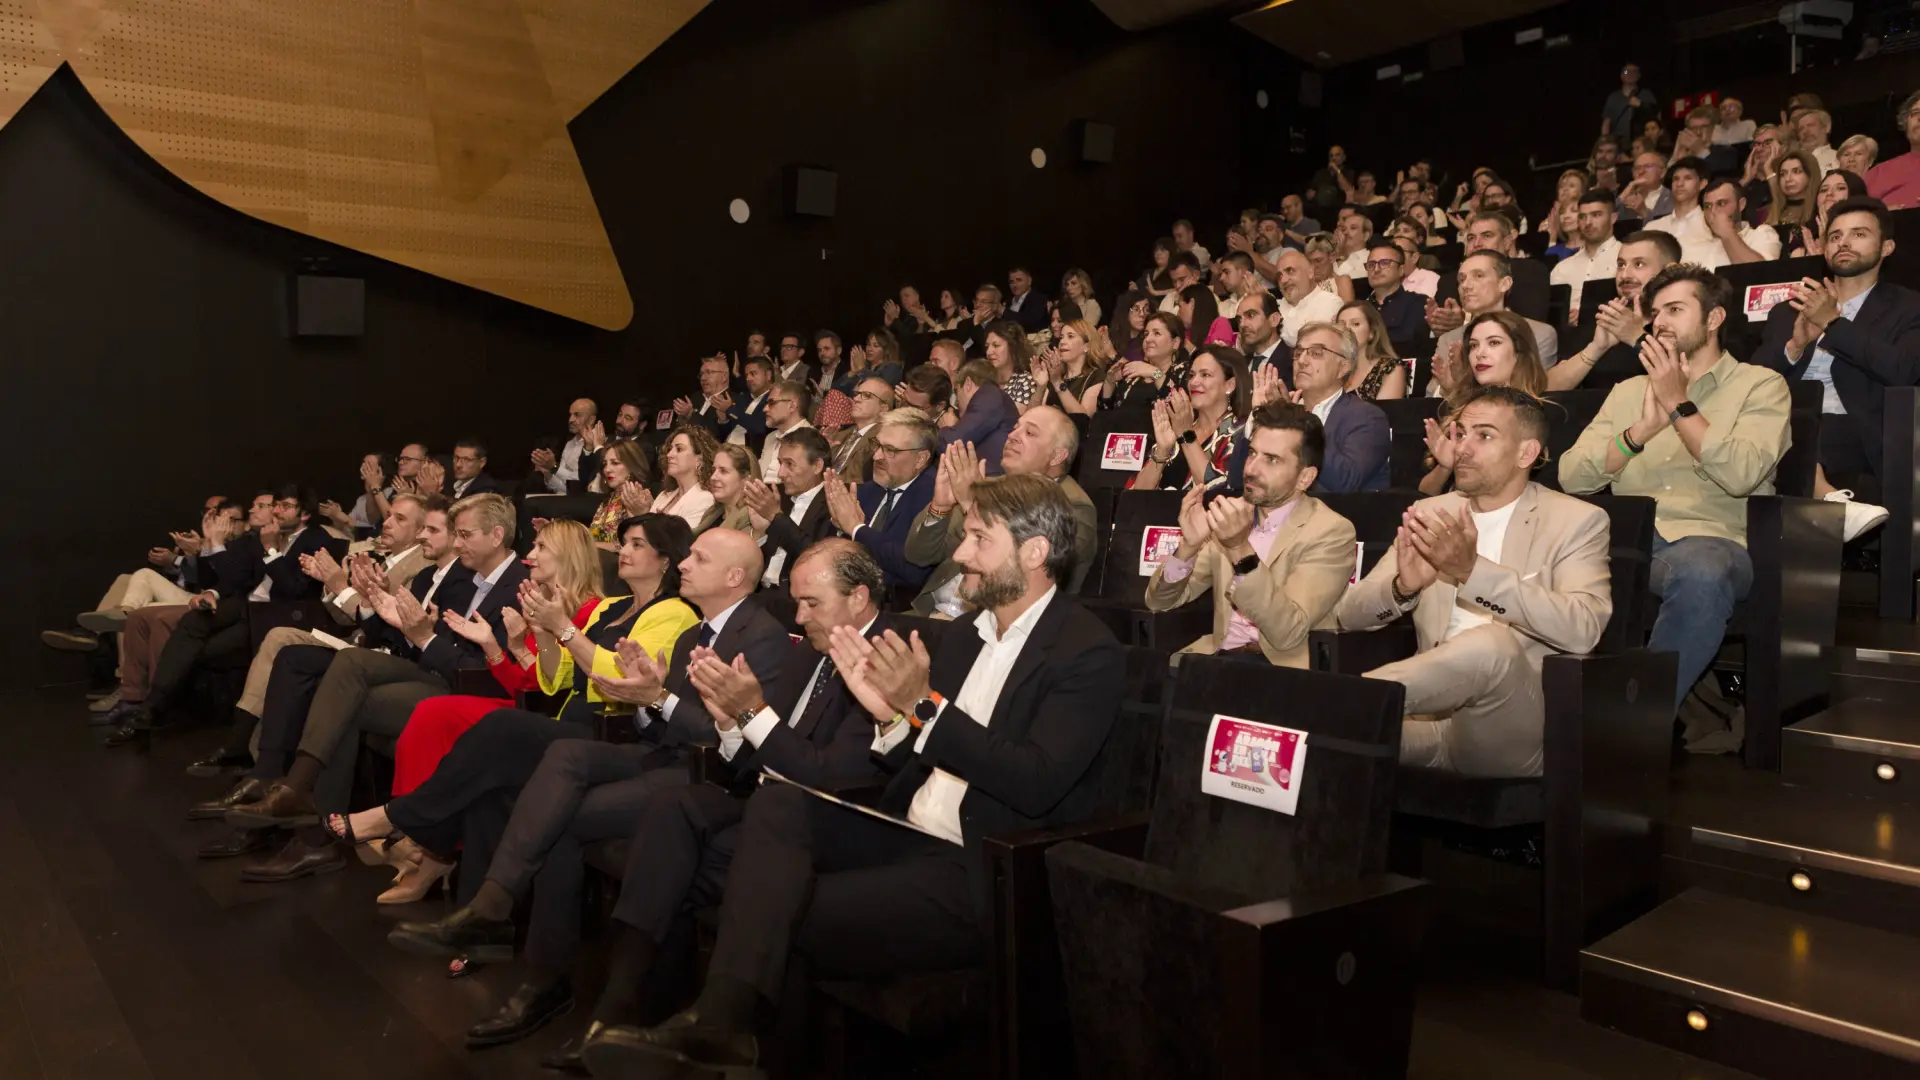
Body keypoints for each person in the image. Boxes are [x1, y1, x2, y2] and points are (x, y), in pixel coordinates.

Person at [579, 474, 1126, 1079]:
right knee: (779, 807)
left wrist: (918, 710)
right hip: (904, 831)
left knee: (774, 904)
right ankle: (719, 1026)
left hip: (981, 865)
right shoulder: (967, 636)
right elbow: (907, 754)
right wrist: (889, 718)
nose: (962, 554)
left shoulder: (1085, 651)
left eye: (977, 538)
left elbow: (1037, 781)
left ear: (1033, 553)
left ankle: (723, 1030)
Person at [367, 529, 789, 1048]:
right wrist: (643, 697)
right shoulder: (693, 634)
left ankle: (532, 968)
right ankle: (493, 915)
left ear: (734, 577)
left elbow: (734, 743)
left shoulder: (761, 635)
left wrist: (657, 698)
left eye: (699, 558)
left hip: (707, 778)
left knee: (553, 811)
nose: (685, 564)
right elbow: (653, 725)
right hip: (661, 753)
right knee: (561, 757)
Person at [536, 539, 892, 1069]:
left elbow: (832, 774)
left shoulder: (887, 655)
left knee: (685, 837)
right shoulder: (807, 653)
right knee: (676, 811)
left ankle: (690, 1027)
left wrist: (748, 713)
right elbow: (752, 756)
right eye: (795, 601)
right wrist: (731, 722)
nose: (799, 616)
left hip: (830, 821)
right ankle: (618, 1012)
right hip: (769, 802)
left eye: (812, 604)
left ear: (859, 597)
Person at [222, 492, 534, 879]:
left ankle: (307, 813)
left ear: (496, 535)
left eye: (465, 534)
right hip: (434, 672)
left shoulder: (517, 586)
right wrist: (401, 619)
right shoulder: (472, 578)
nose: (457, 543)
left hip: (466, 694)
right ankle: (308, 813)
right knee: (348, 673)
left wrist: (424, 637)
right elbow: (437, 642)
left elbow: (487, 674)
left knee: (346, 686)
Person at [1560, 265, 1791, 748]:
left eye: (1676, 309)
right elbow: (1573, 476)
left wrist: (1679, 405)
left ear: (1714, 318)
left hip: (1714, 542)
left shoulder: (1760, 385)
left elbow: (1742, 472)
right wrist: (1638, 433)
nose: (1660, 321)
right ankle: (1538, 722)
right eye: (1656, 311)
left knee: (1703, 568)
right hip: (1628, 545)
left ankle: (1629, 731)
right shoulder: (1627, 392)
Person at [1339, 387, 1612, 776]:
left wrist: (1472, 573)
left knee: (1491, 645)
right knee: (1320, 744)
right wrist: (1404, 587)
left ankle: (1336, 701)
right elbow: (1348, 616)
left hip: (1510, 729)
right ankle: (1325, 712)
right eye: (1461, 433)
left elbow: (1584, 629)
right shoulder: (1429, 512)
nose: (1463, 448)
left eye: (1483, 436)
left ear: (1526, 453)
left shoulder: (1576, 521)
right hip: (1427, 722)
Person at [102, 486, 336, 745]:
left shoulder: (315, 539)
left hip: (275, 615)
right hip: (244, 606)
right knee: (195, 619)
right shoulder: (264, 535)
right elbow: (236, 578)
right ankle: (148, 711)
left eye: (285, 506)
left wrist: (271, 551)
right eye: (276, 505)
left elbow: (294, 590)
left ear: (303, 515)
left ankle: (165, 710)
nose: (277, 511)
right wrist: (212, 591)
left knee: (199, 650)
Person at [1756, 197, 1919, 539]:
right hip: (1784, 418)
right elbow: (1751, 381)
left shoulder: (1908, 308)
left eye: (1858, 234)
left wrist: (1833, 322)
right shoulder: (1788, 311)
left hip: (1859, 429)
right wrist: (1795, 346)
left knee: (1804, 427)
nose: (1843, 242)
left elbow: (1903, 370)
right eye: (1835, 236)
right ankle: (1830, 501)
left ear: (1886, 247)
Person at [1147, 402, 1357, 665]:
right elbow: (1158, 603)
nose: (1251, 469)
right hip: (1215, 661)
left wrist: (1238, 548)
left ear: (1305, 477)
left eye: (1271, 460)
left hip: (1278, 674)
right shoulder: (1233, 516)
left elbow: (1287, 631)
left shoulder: (1331, 532)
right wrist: (1188, 548)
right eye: (1252, 453)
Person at [907, 407, 1099, 614]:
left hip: (998, 624)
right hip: (928, 612)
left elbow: (1029, 575)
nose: (1013, 436)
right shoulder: (987, 484)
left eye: (1030, 433)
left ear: (1057, 456)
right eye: (1015, 427)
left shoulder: (1074, 505)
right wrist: (940, 508)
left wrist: (971, 506)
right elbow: (918, 556)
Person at [1422, 311, 1550, 495]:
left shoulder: (1544, 414)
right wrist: (1445, 467)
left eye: (1494, 343)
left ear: (1519, 352)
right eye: (1474, 346)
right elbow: (1424, 494)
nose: (1479, 354)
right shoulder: (1458, 412)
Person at [1256, 320, 1390, 493]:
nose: (1302, 361)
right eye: (1298, 353)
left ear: (1343, 368)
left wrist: (1297, 423)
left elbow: (1346, 480)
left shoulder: (1367, 417)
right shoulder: (1284, 410)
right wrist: (1258, 416)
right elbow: (1238, 480)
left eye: (1316, 353)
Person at [1549, 230, 1683, 391]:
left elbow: (1681, 384)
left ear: (1669, 270)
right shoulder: (1605, 321)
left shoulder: (1683, 321)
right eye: (1621, 265)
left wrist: (1636, 336)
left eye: (1639, 264)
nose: (1624, 275)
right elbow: (1547, 390)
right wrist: (1596, 348)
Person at [1131, 346, 1251, 492]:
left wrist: (1186, 435)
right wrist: (1162, 451)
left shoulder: (1241, 433)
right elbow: (1136, 493)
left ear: (1230, 385)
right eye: (1192, 375)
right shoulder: (1177, 427)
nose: (1194, 382)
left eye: (1205, 375)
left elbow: (1218, 491)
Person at [1429, 251, 1560, 383]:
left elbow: (1534, 390)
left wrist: (1460, 381)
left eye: (1479, 276)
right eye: (1461, 280)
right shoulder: (1449, 339)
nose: (1465, 285)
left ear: (1504, 284)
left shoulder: (1540, 334)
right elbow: (1432, 396)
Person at [744, 428, 835, 588]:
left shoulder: (832, 503)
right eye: (780, 463)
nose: (781, 473)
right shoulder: (777, 496)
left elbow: (817, 557)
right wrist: (759, 534)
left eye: (789, 464)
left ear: (817, 466)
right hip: (759, 590)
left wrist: (775, 517)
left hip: (795, 597)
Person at [1648, 162, 1780, 268]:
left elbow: (1759, 275)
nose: (1713, 212)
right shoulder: (1690, 239)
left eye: (1721, 203)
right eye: (1708, 206)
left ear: (1741, 205)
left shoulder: (1762, 234)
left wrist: (1728, 234)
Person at [1551, 191, 1622, 321]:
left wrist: (1587, 315)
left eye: (1596, 215)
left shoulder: (1626, 259)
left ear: (1613, 218)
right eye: (1582, 217)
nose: (1588, 222)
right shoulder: (1562, 268)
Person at [1101, 312, 1189, 411]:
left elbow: (1178, 410)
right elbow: (1105, 411)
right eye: (1146, 334)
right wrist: (1109, 383)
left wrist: (1155, 373)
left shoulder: (1185, 372)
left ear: (1175, 343)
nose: (1148, 339)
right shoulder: (1135, 375)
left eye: (1157, 333)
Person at [941, 360, 1017, 471]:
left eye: (957, 391)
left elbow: (952, 443)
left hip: (993, 481)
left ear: (968, 384)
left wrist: (947, 428)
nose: (957, 401)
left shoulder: (989, 395)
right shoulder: (992, 398)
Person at [1031, 318, 1110, 416]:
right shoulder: (1055, 375)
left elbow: (1083, 419)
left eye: (1070, 336)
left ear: (1087, 346)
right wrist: (1041, 387)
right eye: (1061, 337)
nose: (1062, 342)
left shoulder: (1096, 376)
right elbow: (1030, 417)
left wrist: (1058, 383)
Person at [1360, 238, 1425, 354]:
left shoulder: (1419, 303)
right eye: (1371, 264)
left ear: (1401, 270)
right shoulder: (1360, 309)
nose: (1376, 269)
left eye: (1385, 263)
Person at [587, 441, 655, 552]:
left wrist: (587, 545)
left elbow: (627, 546)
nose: (607, 469)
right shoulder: (610, 498)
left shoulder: (638, 497)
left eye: (615, 463)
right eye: (605, 464)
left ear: (632, 465)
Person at [1272, 249, 1344, 348]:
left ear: (1310, 272)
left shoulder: (1330, 302)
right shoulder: (1275, 306)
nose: (1283, 280)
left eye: (1290, 271)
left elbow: (1311, 345)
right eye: (1279, 276)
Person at [1339, 300, 1409, 401]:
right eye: (1341, 325)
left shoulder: (1390, 369)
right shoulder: (1332, 370)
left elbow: (1383, 414)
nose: (1347, 329)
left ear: (1372, 331)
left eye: (1355, 324)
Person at [1789, 169, 1870, 257]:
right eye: (1823, 190)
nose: (1829, 193)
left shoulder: (1867, 231)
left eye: (1840, 188)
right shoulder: (1802, 236)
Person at [652, 426, 719, 531]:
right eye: (670, 449)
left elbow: (681, 542)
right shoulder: (664, 495)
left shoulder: (704, 499)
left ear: (699, 459)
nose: (669, 454)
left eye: (679, 449)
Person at [829, 375, 893, 481]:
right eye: (857, 394)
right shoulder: (839, 434)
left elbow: (858, 479)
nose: (856, 399)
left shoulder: (882, 440)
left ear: (883, 409)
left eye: (867, 395)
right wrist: (823, 448)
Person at [1867, 90, 1920, 209]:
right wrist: (1881, 215)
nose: (1919, 118)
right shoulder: (1878, 173)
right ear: (1905, 124)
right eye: (1915, 113)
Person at [720, 356, 777, 452]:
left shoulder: (775, 399)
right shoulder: (741, 398)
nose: (748, 378)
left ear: (768, 375)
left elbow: (761, 428)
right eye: (746, 375)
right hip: (726, 450)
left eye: (753, 374)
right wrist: (723, 420)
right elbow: (725, 433)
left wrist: (731, 409)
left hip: (750, 455)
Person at [703, 444, 757, 535]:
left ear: (746, 479)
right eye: (713, 471)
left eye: (723, 471)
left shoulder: (750, 517)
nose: (713, 477)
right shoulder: (711, 512)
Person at [985, 320, 1038, 410]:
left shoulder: (1025, 381)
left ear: (1012, 347)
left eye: (996, 345)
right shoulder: (985, 380)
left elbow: (1014, 418)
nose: (989, 352)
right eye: (987, 346)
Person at [1764, 150, 1821, 235]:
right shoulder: (1770, 211)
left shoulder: (1819, 210)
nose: (1788, 179)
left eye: (1796, 171)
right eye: (1783, 174)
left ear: (1810, 175)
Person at [1601, 63, 1657, 139]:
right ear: (1621, 76)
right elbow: (1607, 122)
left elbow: (1656, 115)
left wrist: (1641, 105)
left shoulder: (1646, 94)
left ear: (1639, 76)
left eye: (1634, 72)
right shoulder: (1613, 97)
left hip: (1642, 140)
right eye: (1626, 72)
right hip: (1618, 141)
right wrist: (1604, 139)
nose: (1630, 74)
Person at [1237, 292, 1286, 376]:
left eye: (1250, 315)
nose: (1242, 324)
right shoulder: (1239, 366)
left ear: (1274, 319)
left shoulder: (1293, 362)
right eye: (1239, 319)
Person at [1618, 151, 1673, 222]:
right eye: (1637, 168)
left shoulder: (1672, 198)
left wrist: (1644, 212)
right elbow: (1609, 221)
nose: (1641, 171)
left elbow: (1665, 227)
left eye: (1648, 166)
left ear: (1662, 173)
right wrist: (1622, 196)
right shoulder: (1626, 196)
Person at [1178, 283, 1233, 348]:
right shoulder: (1184, 333)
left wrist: (1192, 351)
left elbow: (1218, 356)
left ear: (1192, 304)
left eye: (1180, 306)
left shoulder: (1221, 323)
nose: (1178, 312)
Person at [1307, 145, 1355, 215]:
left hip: (1338, 209)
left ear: (1344, 157)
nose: (1334, 158)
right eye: (1331, 156)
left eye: (1337, 155)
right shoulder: (1321, 173)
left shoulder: (1349, 172)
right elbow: (1312, 190)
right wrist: (1310, 194)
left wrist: (1337, 171)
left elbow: (1347, 189)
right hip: (1319, 208)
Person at [1004, 266, 1049, 333]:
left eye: (1019, 280)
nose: (1015, 285)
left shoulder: (1039, 299)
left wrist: (1004, 312)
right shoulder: (1007, 302)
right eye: (1011, 282)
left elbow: (1031, 321)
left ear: (1029, 281)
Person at [1796, 108, 1838, 176]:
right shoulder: (1793, 161)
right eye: (1801, 129)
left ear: (1827, 127)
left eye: (1810, 125)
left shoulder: (1838, 158)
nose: (1805, 131)